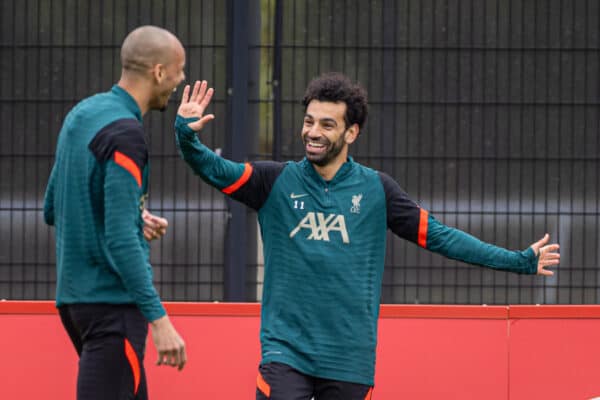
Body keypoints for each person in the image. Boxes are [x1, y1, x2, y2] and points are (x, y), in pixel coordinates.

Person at [174, 74, 560, 400]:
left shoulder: (378, 191)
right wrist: (187, 138)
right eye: (309, 121)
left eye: (327, 124)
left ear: (351, 132)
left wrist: (518, 260)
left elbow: (441, 237)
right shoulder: (273, 181)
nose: (313, 132)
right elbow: (215, 170)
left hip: (349, 360)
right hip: (284, 353)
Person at [43, 25, 187, 400]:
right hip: (112, 309)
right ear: (159, 72)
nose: (181, 79)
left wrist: (133, 213)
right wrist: (159, 319)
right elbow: (121, 238)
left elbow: (51, 207)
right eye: (179, 70)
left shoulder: (82, 114)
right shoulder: (126, 133)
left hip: (75, 304)